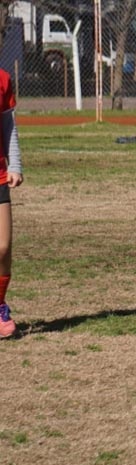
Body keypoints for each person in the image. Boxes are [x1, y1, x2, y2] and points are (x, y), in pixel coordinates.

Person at [0, 68, 22, 339]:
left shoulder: (3, 78)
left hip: (0, 175)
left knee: (3, 247)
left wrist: (14, 164)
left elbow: (9, 126)